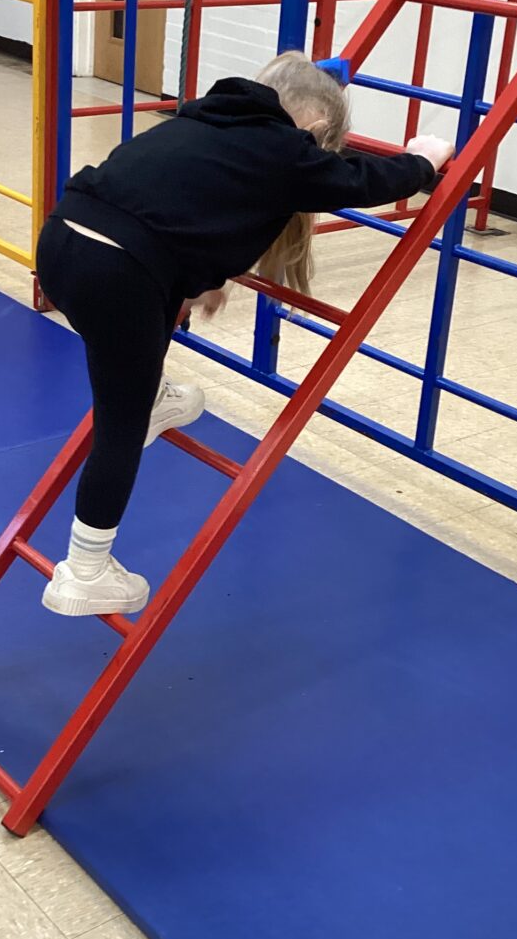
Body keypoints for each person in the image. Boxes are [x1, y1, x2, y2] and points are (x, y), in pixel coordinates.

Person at [35, 51, 455, 618]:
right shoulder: (283, 149)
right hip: (119, 270)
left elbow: (184, 207)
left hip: (62, 240)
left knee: (127, 349)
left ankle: (150, 395)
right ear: (315, 127)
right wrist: (422, 161)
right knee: (120, 425)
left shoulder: (202, 120)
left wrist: (201, 279)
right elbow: (362, 181)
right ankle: (86, 570)